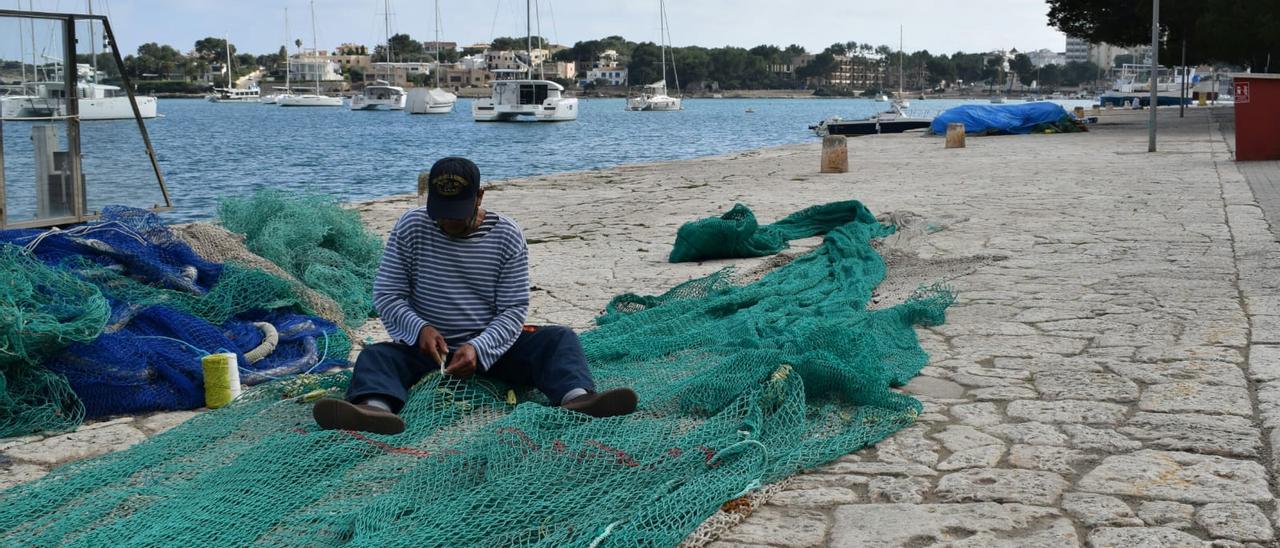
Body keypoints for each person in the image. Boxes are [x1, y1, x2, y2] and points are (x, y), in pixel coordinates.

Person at [313, 157, 637, 435]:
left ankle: (577, 399)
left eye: (457, 214)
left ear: (480, 196)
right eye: (441, 214)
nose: (448, 223)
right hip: (427, 351)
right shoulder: (411, 226)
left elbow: (512, 309)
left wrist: (478, 348)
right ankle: (375, 410)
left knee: (559, 340)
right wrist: (420, 329)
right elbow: (388, 294)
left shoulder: (507, 235)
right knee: (376, 356)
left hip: (492, 348)